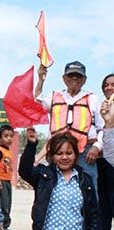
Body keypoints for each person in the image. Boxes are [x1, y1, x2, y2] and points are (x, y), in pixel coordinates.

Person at [35, 61, 104, 191]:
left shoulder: (92, 99)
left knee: (88, 189)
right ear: (64, 78)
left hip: (85, 152)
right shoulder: (55, 96)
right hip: (59, 151)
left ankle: (89, 212)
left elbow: (103, 127)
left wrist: (97, 147)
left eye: (78, 76)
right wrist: (41, 79)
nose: (74, 78)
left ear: (85, 79)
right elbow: (37, 101)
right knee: (55, 186)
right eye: (71, 75)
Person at [97, 73, 114, 230]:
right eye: (106, 85)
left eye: (112, 85)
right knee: (103, 195)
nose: (109, 88)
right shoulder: (102, 107)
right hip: (103, 157)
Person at [0, 125, 15, 230]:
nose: (9, 139)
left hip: (7, 180)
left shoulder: (8, 151)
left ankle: (6, 225)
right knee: (3, 204)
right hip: (1, 180)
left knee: (8, 203)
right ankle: (2, 226)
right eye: (6, 136)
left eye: (11, 136)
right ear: (0, 138)